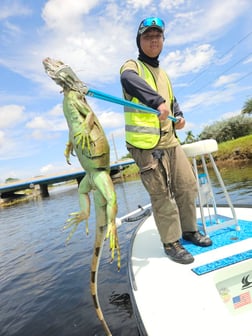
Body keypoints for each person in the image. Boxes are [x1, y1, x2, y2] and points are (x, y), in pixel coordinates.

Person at [120, 17, 212, 264]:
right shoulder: (132, 66)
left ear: (163, 40)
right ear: (139, 41)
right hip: (146, 146)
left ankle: (189, 230)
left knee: (187, 185)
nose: (153, 40)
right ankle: (171, 242)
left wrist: (178, 116)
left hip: (171, 142)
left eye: (157, 36)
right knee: (162, 195)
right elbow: (129, 81)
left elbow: (172, 101)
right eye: (148, 36)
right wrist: (156, 102)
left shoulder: (164, 74)